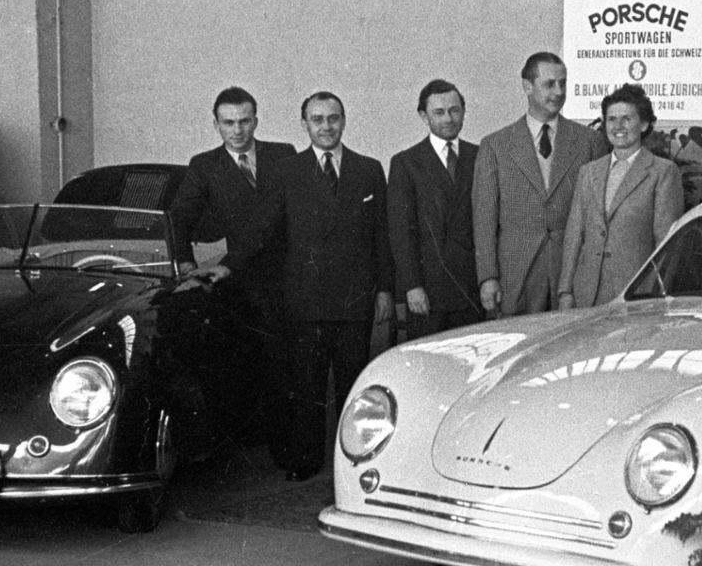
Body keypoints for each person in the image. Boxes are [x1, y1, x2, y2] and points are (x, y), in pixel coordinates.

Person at [187, 92, 393, 481]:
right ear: (305, 126)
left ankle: (356, 464)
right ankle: (307, 461)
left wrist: (385, 289)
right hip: (305, 298)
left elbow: (381, 235)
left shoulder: (368, 169)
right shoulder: (288, 170)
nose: (326, 126)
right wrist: (228, 266)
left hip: (354, 300)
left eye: (333, 118)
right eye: (317, 120)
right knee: (308, 388)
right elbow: (261, 228)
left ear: (344, 120)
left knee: (355, 388)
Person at [168, 86, 297, 455]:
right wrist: (188, 264)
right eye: (229, 123)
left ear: (256, 120)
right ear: (216, 125)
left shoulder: (283, 155)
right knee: (253, 360)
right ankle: (260, 440)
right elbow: (178, 219)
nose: (238, 130)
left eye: (244, 121)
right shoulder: (204, 165)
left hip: (287, 272)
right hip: (239, 279)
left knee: (289, 361)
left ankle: (286, 443)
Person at [472, 52, 607, 316]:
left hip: (570, 271)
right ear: (527, 87)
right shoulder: (495, 146)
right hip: (516, 272)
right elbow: (484, 218)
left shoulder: (590, 141)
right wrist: (487, 277)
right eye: (549, 84)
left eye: (563, 83)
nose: (558, 92)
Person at [558, 84, 683, 309]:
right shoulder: (589, 172)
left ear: (644, 124)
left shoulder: (662, 172)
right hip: (586, 294)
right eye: (611, 119)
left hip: (635, 295)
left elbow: (665, 244)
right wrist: (565, 291)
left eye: (627, 119)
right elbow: (574, 235)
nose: (618, 126)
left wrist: (655, 296)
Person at [387, 79, 483, 339]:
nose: (448, 119)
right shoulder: (406, 163)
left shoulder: (482, 156)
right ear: (424, 116)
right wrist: (412, 286)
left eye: (454, 110)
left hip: (472, 288)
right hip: (428, 291)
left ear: (463, 111)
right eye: (439, 113)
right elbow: (401, 233)